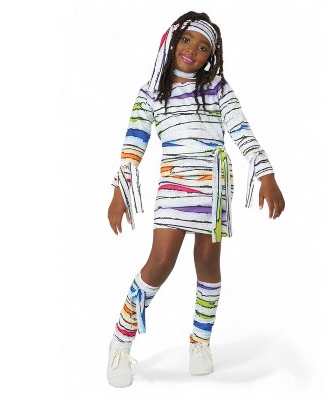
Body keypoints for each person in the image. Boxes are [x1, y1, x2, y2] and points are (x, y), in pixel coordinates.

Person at [107, 11, 285, 387]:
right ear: (172, 40)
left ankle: (200, 341)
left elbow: (241, 129)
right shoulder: (151, 92)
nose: (193, 50)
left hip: (215, 186)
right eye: (187, 40)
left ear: (211, 56)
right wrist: (121, 190)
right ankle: (120, 342)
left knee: (207, 261)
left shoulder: (217, 87)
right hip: (175, 184)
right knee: (160, 262)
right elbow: (134, 143)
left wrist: (265, 172)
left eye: (204, 47)